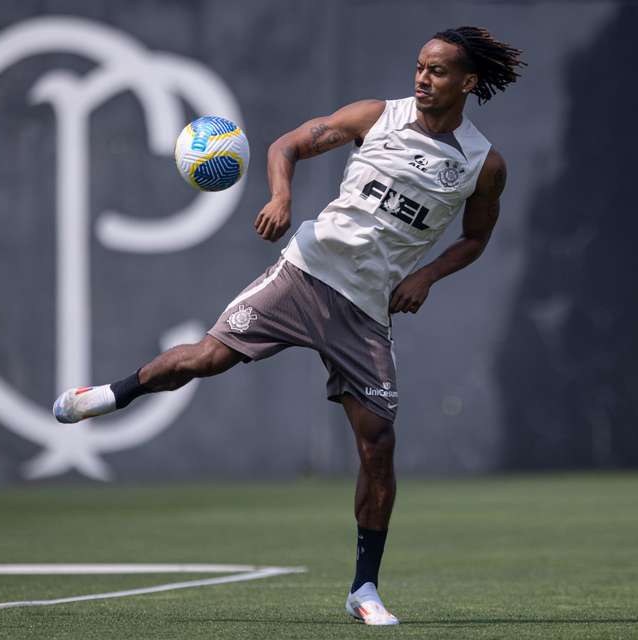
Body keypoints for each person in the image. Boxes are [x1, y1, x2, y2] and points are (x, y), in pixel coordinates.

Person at [53, 26, 525, 626]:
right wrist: (280, 198)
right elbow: (287, 145)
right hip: (303, 274)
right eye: (419, 67)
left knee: (378, 445)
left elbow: (477, 237)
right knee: (206, 359)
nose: (423, 78)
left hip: (366, 309)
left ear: (469, 81)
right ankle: (108, 395)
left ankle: (364, 589)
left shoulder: (483, 164)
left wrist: (428, 276)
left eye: (437, 71)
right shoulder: (377, 116)